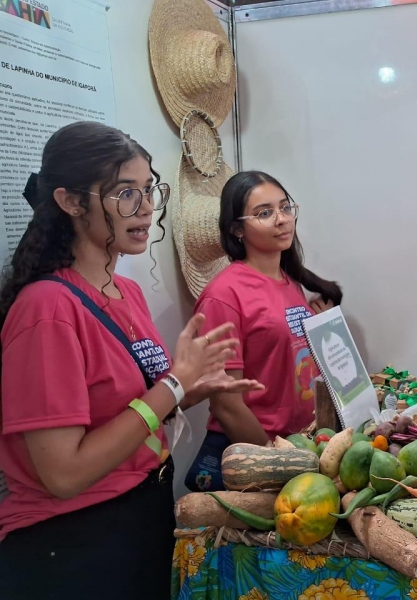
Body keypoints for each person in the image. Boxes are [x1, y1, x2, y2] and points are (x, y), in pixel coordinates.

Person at [0, 121, 262, 599]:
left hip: (142, 511)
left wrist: (193, 388)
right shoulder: (46, 308)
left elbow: (129, 413)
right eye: (125, 193)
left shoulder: (128, 292)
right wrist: (174, 386)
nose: (145, 208)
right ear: (70, 202)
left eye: (148, 189)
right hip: (74, 542)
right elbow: (63, 474)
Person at [185, 171, 342, 492]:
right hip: (257, 457)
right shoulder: (223, 295)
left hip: (298, 448)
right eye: (265, 213)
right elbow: (226, 404)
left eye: (285, 207)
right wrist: (275, 463)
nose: (282, 219)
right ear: (237, 229)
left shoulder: (290, 283)